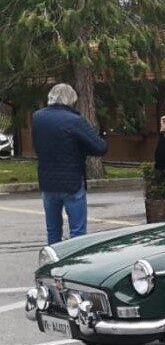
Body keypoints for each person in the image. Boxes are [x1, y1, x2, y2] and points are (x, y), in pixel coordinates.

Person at [31, 83, 108, 245]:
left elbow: (37, 145)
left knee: (53, 230)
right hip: (71, 182)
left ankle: (53, 258)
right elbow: (100, 147)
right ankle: (75, 259)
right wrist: (82, 148)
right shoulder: (74, 120)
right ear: (71, 100)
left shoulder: (38, 117)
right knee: (77, 232)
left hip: (47, 181)